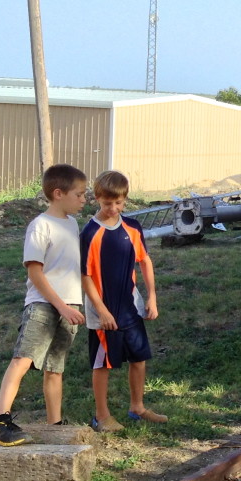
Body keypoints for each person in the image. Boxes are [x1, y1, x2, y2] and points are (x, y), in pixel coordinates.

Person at [0, 164, 88, 447]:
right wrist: (62, 307)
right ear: (58, 193)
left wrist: (73, 305)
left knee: (55, 368)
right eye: (79, 194)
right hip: (44, 305)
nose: (84, 199)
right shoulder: (40, 225)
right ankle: (0, 422)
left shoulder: (71, 223)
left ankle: (54, 424)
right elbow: (35, 273)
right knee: (23, 359)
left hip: (69, 306)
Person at [80, 170, 167, 432]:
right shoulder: (90, 233)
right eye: (108, 203)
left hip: (130, 306)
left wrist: (151, 296)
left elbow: (145, 261)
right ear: (97, 199)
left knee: (138, 357)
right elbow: (86, 276)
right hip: (103, 310)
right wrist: (102, 311)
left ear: (125, 200)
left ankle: (137, 407)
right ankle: (101, 416)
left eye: (119, 203)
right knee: (103, 363)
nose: (113, 208)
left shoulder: (132, 227)